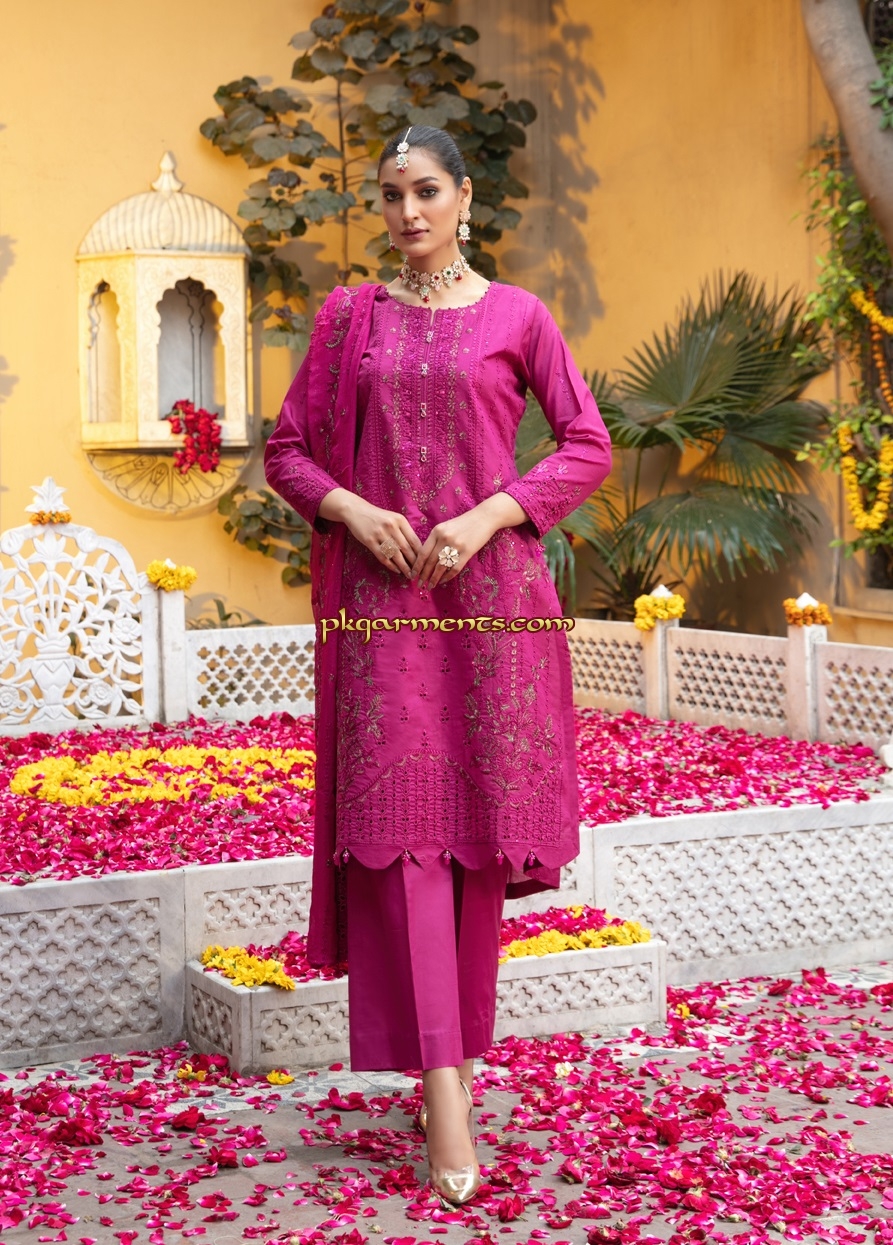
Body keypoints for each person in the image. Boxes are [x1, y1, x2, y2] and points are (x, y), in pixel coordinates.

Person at [264, 124, 612, 1207]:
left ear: (464, 197)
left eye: (424, 191)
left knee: (468, 846)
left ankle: (446, 1066)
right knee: (405, 841)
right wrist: (351, 508)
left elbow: (586, 443)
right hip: (383, 613)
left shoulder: (518, 317)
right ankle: (445, 1090)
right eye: (390, 194)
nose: (406, 212)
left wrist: (491, 514)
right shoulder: (349, 320)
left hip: (492, 609)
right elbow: (286, 451)